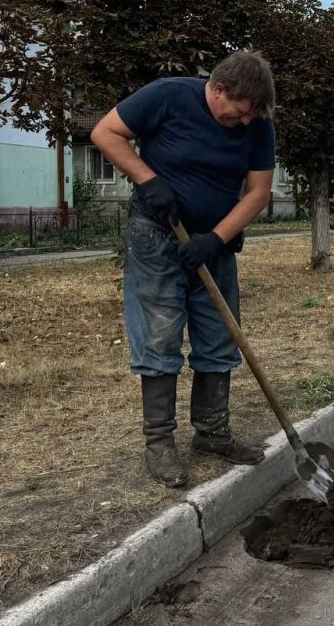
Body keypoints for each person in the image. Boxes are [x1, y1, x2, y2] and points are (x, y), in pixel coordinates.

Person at [91, 51, 276, 488]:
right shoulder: (169, 95)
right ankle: (159, 444)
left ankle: (212, 434)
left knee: (218, 332)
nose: (245, 123)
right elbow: (105, 132)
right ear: (218, 89)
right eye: (240, 113)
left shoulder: (258, 123)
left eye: (252, 117)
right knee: (159, 336)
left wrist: (217, 237)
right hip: (156, 237)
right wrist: (149, 180)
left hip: (214, 244)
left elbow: (258, 192)